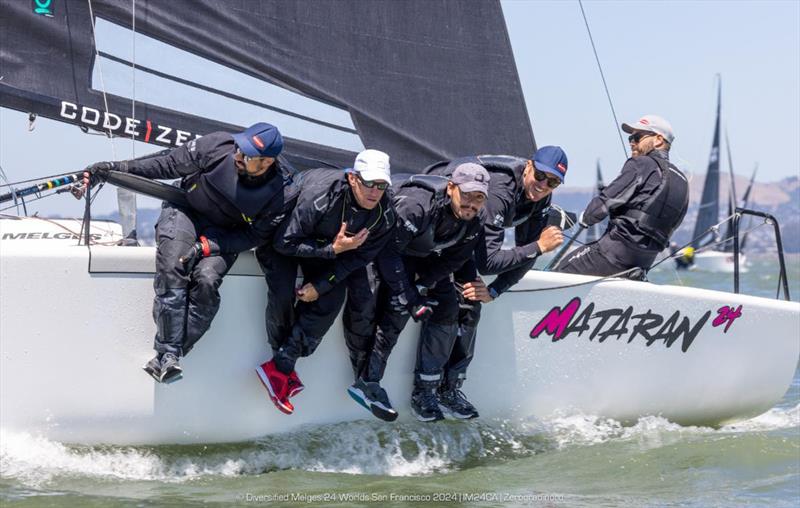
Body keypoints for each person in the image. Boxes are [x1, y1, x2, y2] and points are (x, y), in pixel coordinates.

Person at [82, 123, 299, 383]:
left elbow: (256, 236)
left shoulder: (283, 190)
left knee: (207, 280)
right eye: (240, 148)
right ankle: (169, 354)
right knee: (174, 264)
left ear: (267, 162)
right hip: (185, 210)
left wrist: (211, 247)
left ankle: (169, 355)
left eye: (248, 155)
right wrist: (115, 168)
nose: (238, 156)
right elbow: (167, 164)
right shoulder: (218, 146)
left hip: (225, 235)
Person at [416, 146, 568, 420]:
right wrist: (539, 247)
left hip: (458, 239)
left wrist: (496, 289)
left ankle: (449, 388)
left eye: (553, 182)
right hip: (427, 229)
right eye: (541, 176)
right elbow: (489, 262)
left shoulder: (540, 197)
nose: (544, 186)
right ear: (529, 166)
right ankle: (423, 390)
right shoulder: (499, 192)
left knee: (472, 304)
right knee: (447, 304)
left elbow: (525, 255)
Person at [342, 163, 490, 422]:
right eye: (466, 195)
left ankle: (428, 391)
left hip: (427, 259)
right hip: (387, 251)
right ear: (451, 188)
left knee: (449, 309)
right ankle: (368, 382)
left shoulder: (475, 219)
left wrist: (425, 284)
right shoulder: (417, 205)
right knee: (398, 307)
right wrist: (410, 296)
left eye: (478, 197)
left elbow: (455, 260)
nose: (471, 203)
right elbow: (389, 253)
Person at [255, 149, 396, 415]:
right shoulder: (321, 195)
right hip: (282, 239)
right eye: (369, 183)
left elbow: (360, 257)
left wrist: (321, 284)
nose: (374, 192)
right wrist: (331, 250)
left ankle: (281, 365)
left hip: (326, 246)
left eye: (381, 185)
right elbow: (284, 242)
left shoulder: (385, 214)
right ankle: (280, 367)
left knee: (332, 296)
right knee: (283, 292)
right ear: (353, 178)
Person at [556, 115, 689, 279]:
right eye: (630, 138)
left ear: (658, 140)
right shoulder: (683, 181)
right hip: (642, 265)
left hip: (611, 255)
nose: (632, 142)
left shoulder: (642, 163)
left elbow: (605, 202)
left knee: (557, 274)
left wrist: (585, 217)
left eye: (637, 137)